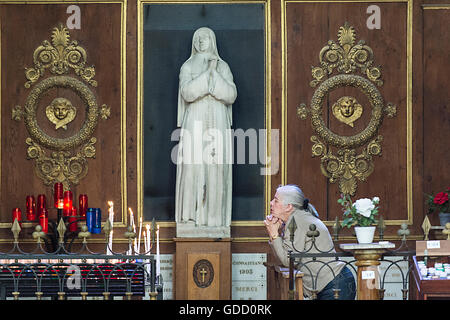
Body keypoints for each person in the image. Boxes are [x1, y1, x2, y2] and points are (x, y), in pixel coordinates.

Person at [175, 27, 237, 236]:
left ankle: (214, 220)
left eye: (205, 37)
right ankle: (190, 217)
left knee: (216, 169)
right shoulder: (188, 65)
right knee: (193, 167)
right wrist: (207, 76)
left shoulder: (223, 66)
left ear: (212, 41)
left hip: (218, 121)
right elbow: (187, 93)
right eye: (198, 38)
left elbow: (230, 94)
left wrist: (215, 77)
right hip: (195, 121)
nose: (201, 41)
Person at [264, 184, 356, 300]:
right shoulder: (297, 218)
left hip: (335, 285)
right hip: (335, 283)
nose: (271, 203)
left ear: (288, 207)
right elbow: (286, 259)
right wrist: (275, 235)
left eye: (276, 201)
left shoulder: (297, 220)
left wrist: (274, 234)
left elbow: (288, 261)